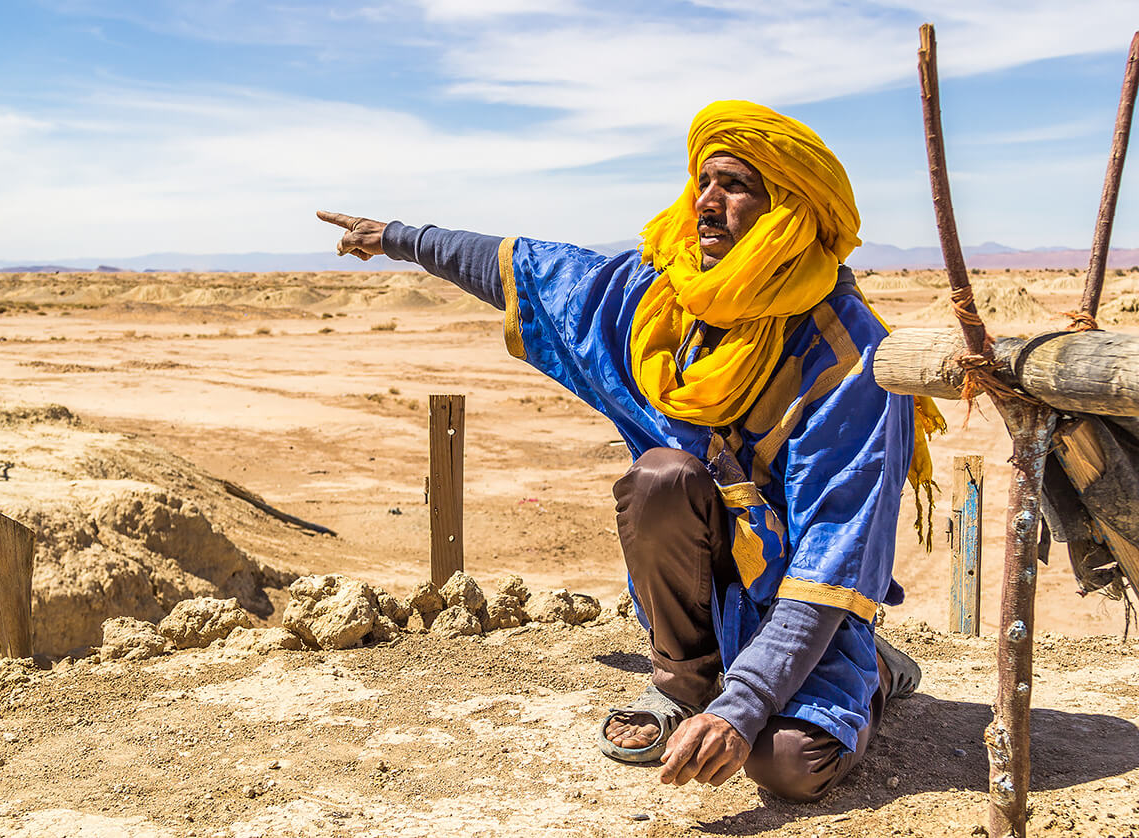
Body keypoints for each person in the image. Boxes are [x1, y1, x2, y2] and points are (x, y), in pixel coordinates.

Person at [317, 100, 939, 802]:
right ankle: (684, 679)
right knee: (660, 479)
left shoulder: (847, 357)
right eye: (701, 181)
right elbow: (522, 270)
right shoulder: (657, 302)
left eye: (733, 186)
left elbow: (835, 553)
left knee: (787, 765)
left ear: (786, 211)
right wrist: (399, 237)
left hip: (805, 599)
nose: (705, 203)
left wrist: (744, 710)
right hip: (714, 573)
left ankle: (873, 671)